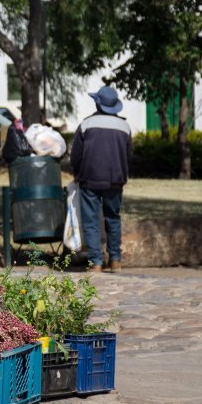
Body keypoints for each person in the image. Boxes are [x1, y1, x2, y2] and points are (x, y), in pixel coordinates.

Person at [70, 86, 132, 273]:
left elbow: (75, 156)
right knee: (113, 218)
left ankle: (96, 262)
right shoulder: (125, 127)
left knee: (90, 221)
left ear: (98, 103)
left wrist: (76, 171)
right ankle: (115, 260)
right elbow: (128, 155)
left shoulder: (86, 124)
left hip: (90, 179)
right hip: (116, 180)